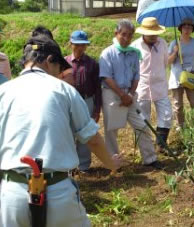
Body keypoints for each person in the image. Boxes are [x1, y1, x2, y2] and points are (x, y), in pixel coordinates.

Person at [0, 35, 119, 227]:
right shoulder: (63, 90)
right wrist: (111, 164)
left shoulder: (4, 92)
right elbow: (92, 139)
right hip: (57, 191)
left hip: (12, 192)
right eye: (58, 68)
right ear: (49, 61)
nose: (59, 73)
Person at [99, 19, 162, 169]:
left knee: (142, 124)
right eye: (123, 35)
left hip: (130, 94)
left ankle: (150, 158)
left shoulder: (134, 53)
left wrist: (131, 94)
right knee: (111, 130)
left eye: (129, 36)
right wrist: (122, 95)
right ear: (116, 33)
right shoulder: (107, 53)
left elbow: (136, 76)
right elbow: (106, 77)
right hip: (112, 94)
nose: (126, 39)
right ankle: (113, 163)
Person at [132, 17, 172, 154]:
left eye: (155, 33)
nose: (154, 36)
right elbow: (132, 68)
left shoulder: (163, 44)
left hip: (160, 86)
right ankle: (145, 148)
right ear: (144, 33)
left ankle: (161, 145)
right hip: (142, 87)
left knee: (166, 115)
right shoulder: (135, 47)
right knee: (143, 119)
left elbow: (165, 62)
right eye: (151, 34)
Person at [65, 30, 102, 173]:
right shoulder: (65, 62)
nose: (80, 48)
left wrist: (97, 109)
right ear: (71, 44)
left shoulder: (92, 64)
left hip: (87, 100)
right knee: (68, 132)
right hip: (68, 102)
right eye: (77, 44)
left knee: (85, 133)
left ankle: (84, 166)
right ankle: (69, 166)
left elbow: (98, 88)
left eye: (83, 45)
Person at [168, 18, 194, 130]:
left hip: (191, 76)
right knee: (178, 105)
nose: (187, 29)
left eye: (189, 26)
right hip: (177, 77)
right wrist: (175, 52)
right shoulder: (174, 43)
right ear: (180, 28)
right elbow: (168, 62)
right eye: (185, 26)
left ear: (192, 29)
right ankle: (180, 127)